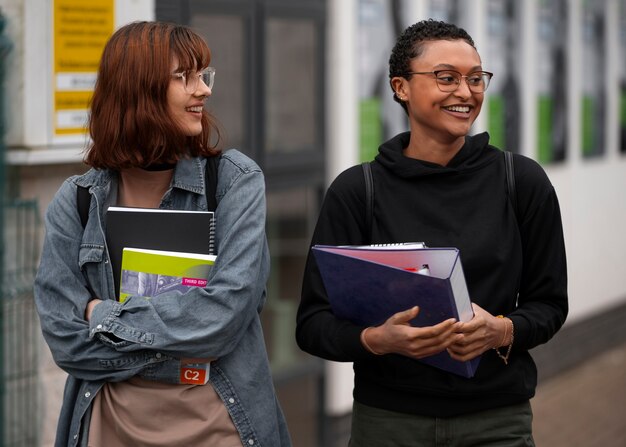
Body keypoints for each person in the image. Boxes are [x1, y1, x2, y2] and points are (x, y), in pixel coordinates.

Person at [296, 19, 567, 446]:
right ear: (401, 87)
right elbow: (313, 324)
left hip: (497, 422)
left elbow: (550, 304)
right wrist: (377, 340)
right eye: (447, 78)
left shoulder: (521, 182)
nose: (466, 92)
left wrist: (502, 330)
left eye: (476, 78)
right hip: (388, 422)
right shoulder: (358, 191)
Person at [34, 21, 291, 447]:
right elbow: (65, 341)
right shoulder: (78, 200)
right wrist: (178, 351)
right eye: (184, 77)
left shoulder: (233, 182)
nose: (204, 90)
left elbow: (224, 317)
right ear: (138, 88)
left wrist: (100, 315)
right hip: (108, 428)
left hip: (220, 427)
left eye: (203, 75)